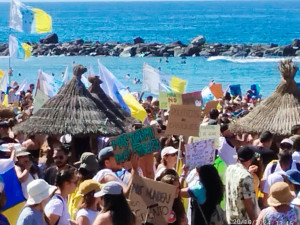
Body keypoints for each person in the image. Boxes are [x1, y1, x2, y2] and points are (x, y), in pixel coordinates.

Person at [225, 146, 259, 224]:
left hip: (230, 217)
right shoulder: (246, 176)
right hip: (242, 220)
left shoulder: (229, 168)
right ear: (250, 160)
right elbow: (248, 201)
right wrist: (253, 219)